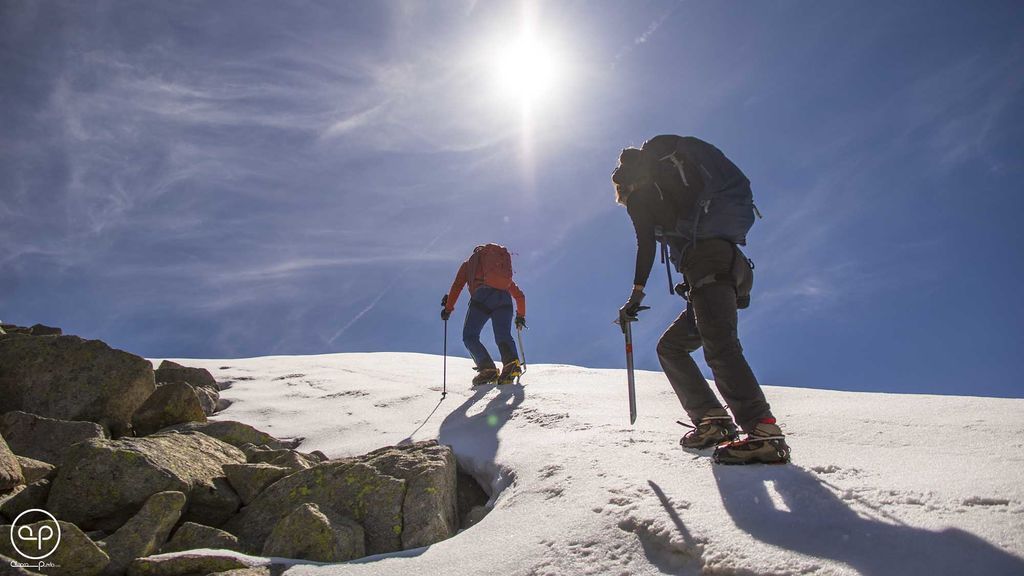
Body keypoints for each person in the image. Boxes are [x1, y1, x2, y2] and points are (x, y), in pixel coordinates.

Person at [611, 135, 790, 465]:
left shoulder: (641, 196)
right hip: (724, 264)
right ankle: (713, 419)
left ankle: (763, 430)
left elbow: (645, 245)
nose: (621, 201)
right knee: (672, 347)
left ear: (624, 184)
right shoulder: (676, 192)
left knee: (720, 345)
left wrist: (635, 294)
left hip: (707, 264)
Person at [442, 243, 527, 386]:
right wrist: (520, 316)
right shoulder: (501, 277)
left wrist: (448, 309)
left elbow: (457, 285)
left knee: (470, 336)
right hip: (504, 299)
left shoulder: (469, 264)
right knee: (503, 335)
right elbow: (519, 296)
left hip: (482, 297)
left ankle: (487, 369)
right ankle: (511, 363)